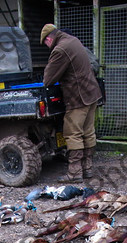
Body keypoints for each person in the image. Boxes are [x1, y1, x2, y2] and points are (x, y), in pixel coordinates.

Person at [40, 24, 102, 182]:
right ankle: (87, 168)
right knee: (88, 131)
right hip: (92, 93)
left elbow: (48, 79)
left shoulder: (60, 49)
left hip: (78, 97)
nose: (47, 47)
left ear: (48, 38)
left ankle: (74, 173)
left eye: (45, 43)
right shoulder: (73, 40)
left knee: (72, 133)